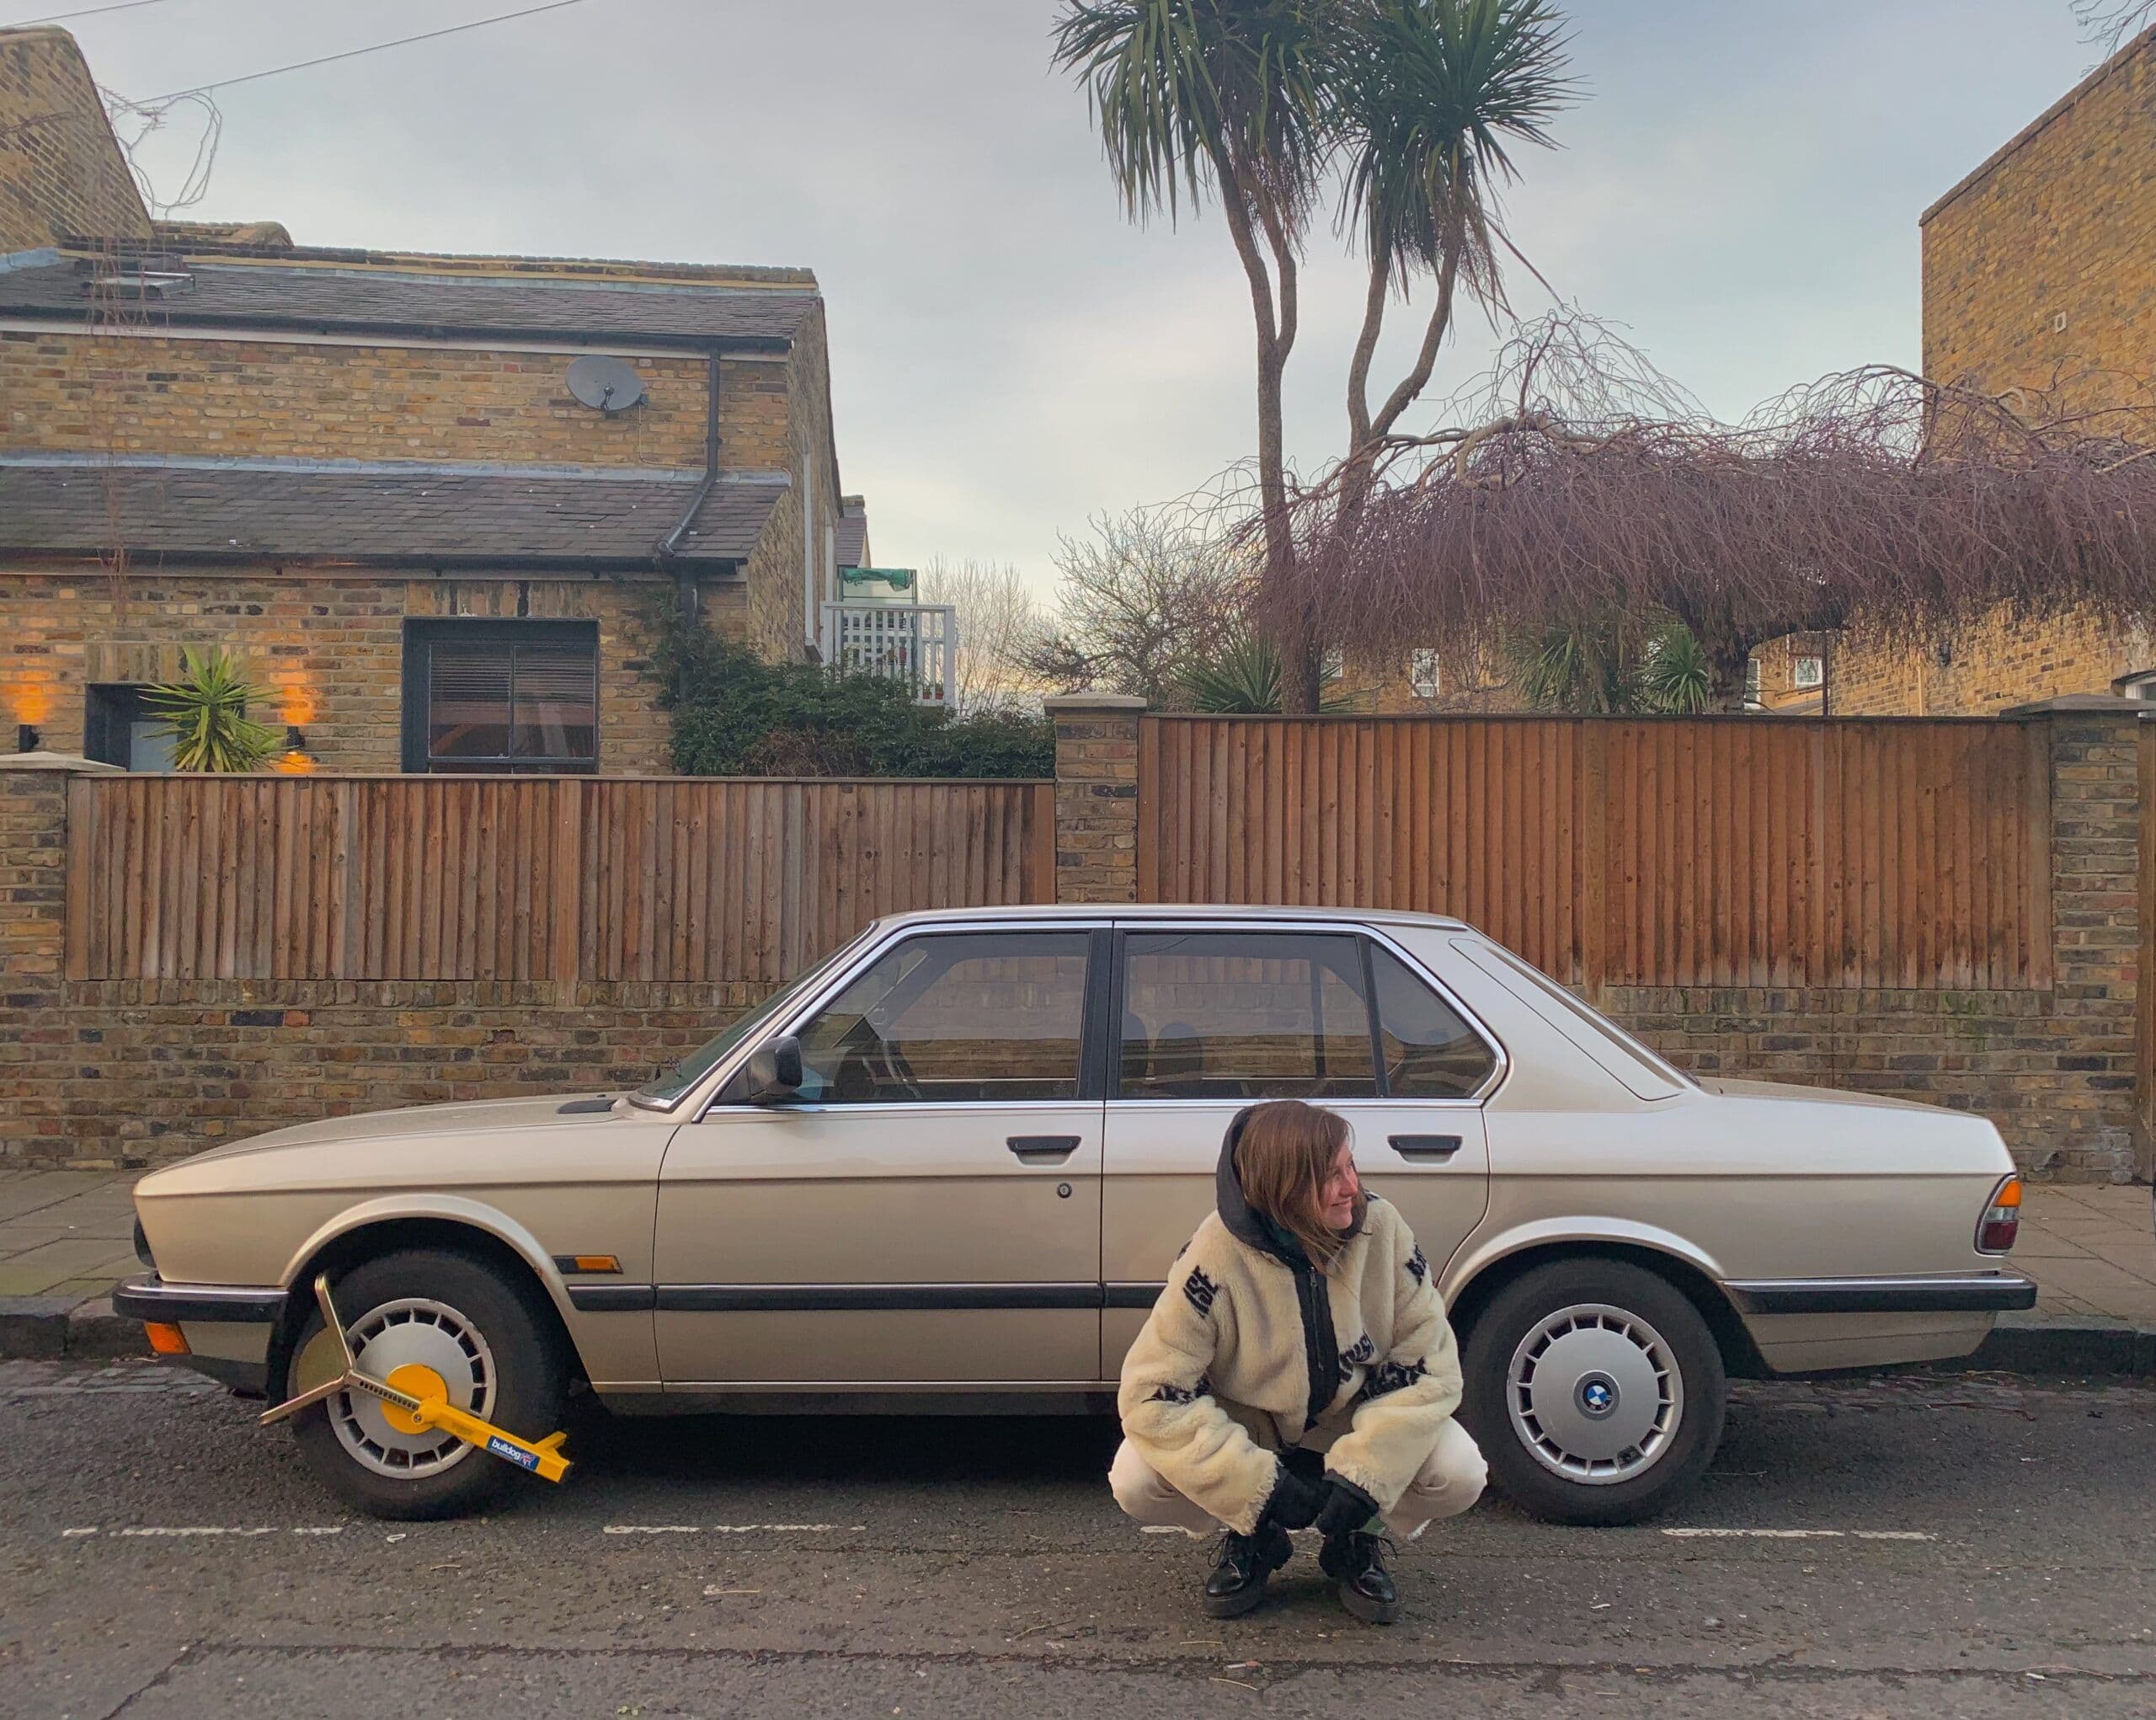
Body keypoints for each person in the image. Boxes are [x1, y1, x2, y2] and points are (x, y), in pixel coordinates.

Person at [1109, 1098, 1486, 1624]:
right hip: (1253, 1432)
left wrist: (1367, 1474)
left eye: (1351, 1166)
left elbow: (1431, 1365)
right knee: (1135, 1480)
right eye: (1331, 1175)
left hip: (1351, 1421)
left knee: (1459, 1472)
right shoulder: (1213, 1252)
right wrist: (1251, 1488)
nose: (1352, 1187)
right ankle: (1252, 1535)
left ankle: (1357, 1535)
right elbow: (1151, 1393)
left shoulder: (1383, 1229)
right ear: (1281, 1187)